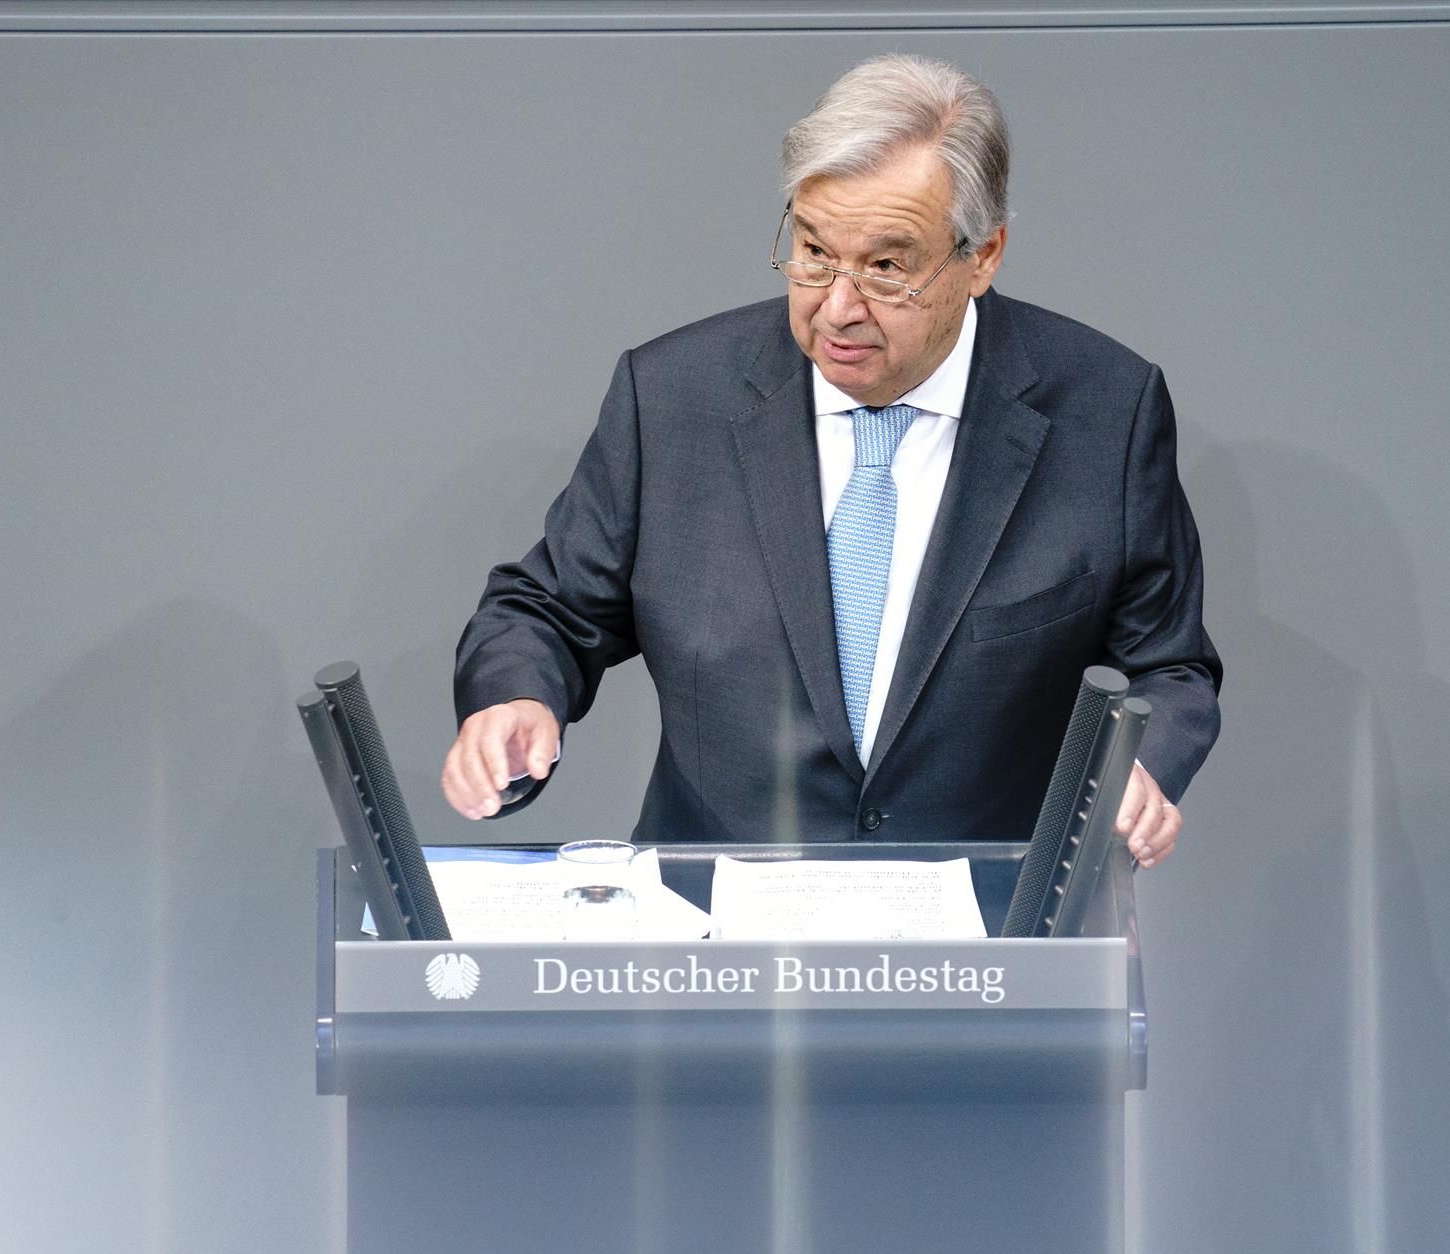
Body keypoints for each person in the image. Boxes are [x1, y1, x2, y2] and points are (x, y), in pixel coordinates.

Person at [441, 54, 1220, 867]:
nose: (837, 307)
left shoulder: (1104, 412)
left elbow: (1167, 667)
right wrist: (517, 697)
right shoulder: (672, 398)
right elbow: (549, 609)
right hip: (711, 929)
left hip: (987, 937)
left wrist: (1143, 765)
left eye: (887, 267)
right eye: (813, 252)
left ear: (982, 256)